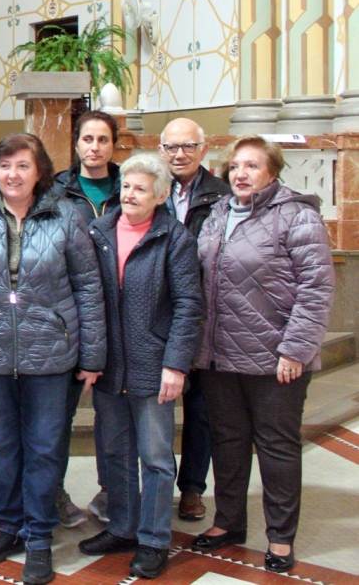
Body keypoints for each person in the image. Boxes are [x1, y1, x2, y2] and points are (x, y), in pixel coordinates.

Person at [0, 133, 105, 585]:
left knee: (46, 446)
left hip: (51, 354)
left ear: (40, 172)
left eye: (23, 166)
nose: (13, 174)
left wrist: (92, 353)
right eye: (5, 165)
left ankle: (38, 536)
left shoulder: (66, 217)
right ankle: (9, 526)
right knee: (5, 445)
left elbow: (89, 288)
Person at [192, 136, 335, 573]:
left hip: (277, 359)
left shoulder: (298, 216)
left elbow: (317, 289)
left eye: (252, 166)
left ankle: (280, 537)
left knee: (276, 448)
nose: (241, 174)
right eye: (235, 166)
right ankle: (229, 522)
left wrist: (295, 349)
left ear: (272, 170)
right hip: (220, 356)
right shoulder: (217, 213)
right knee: (229, 443)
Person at [79, 154, 202, 579]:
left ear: (162, 196)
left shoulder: (175, 238)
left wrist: (176, 364)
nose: (130, 195)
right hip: (109, 365)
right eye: (127, 187)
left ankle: (153, 539)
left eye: (141, 189)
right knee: (115, 451)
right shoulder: (99, 232)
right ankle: (123, 526)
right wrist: (89, 357)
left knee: (155, 458)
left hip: (154, 365)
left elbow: (189, 306)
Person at [158, 118, 230, 523]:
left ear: (203, 149)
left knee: (199, 410)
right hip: (156, 317)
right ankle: (160, 480)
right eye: (171, 147)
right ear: (161, 151)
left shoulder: (222, 195)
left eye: (187, 146)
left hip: (201, 316)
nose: (179, 154)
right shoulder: (152, 189)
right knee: (158, 407)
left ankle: (192, 489)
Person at [53, 109, 121, 525]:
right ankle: (54, 491)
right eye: (87, 139)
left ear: (114, 145)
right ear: (76, 144)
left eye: (103, 140)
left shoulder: (131, 186)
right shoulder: (58, 190)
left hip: (120, 311)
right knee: (58, 415)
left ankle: (113, 490)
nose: (94, 148)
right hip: (69, 314)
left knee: (113, 415)